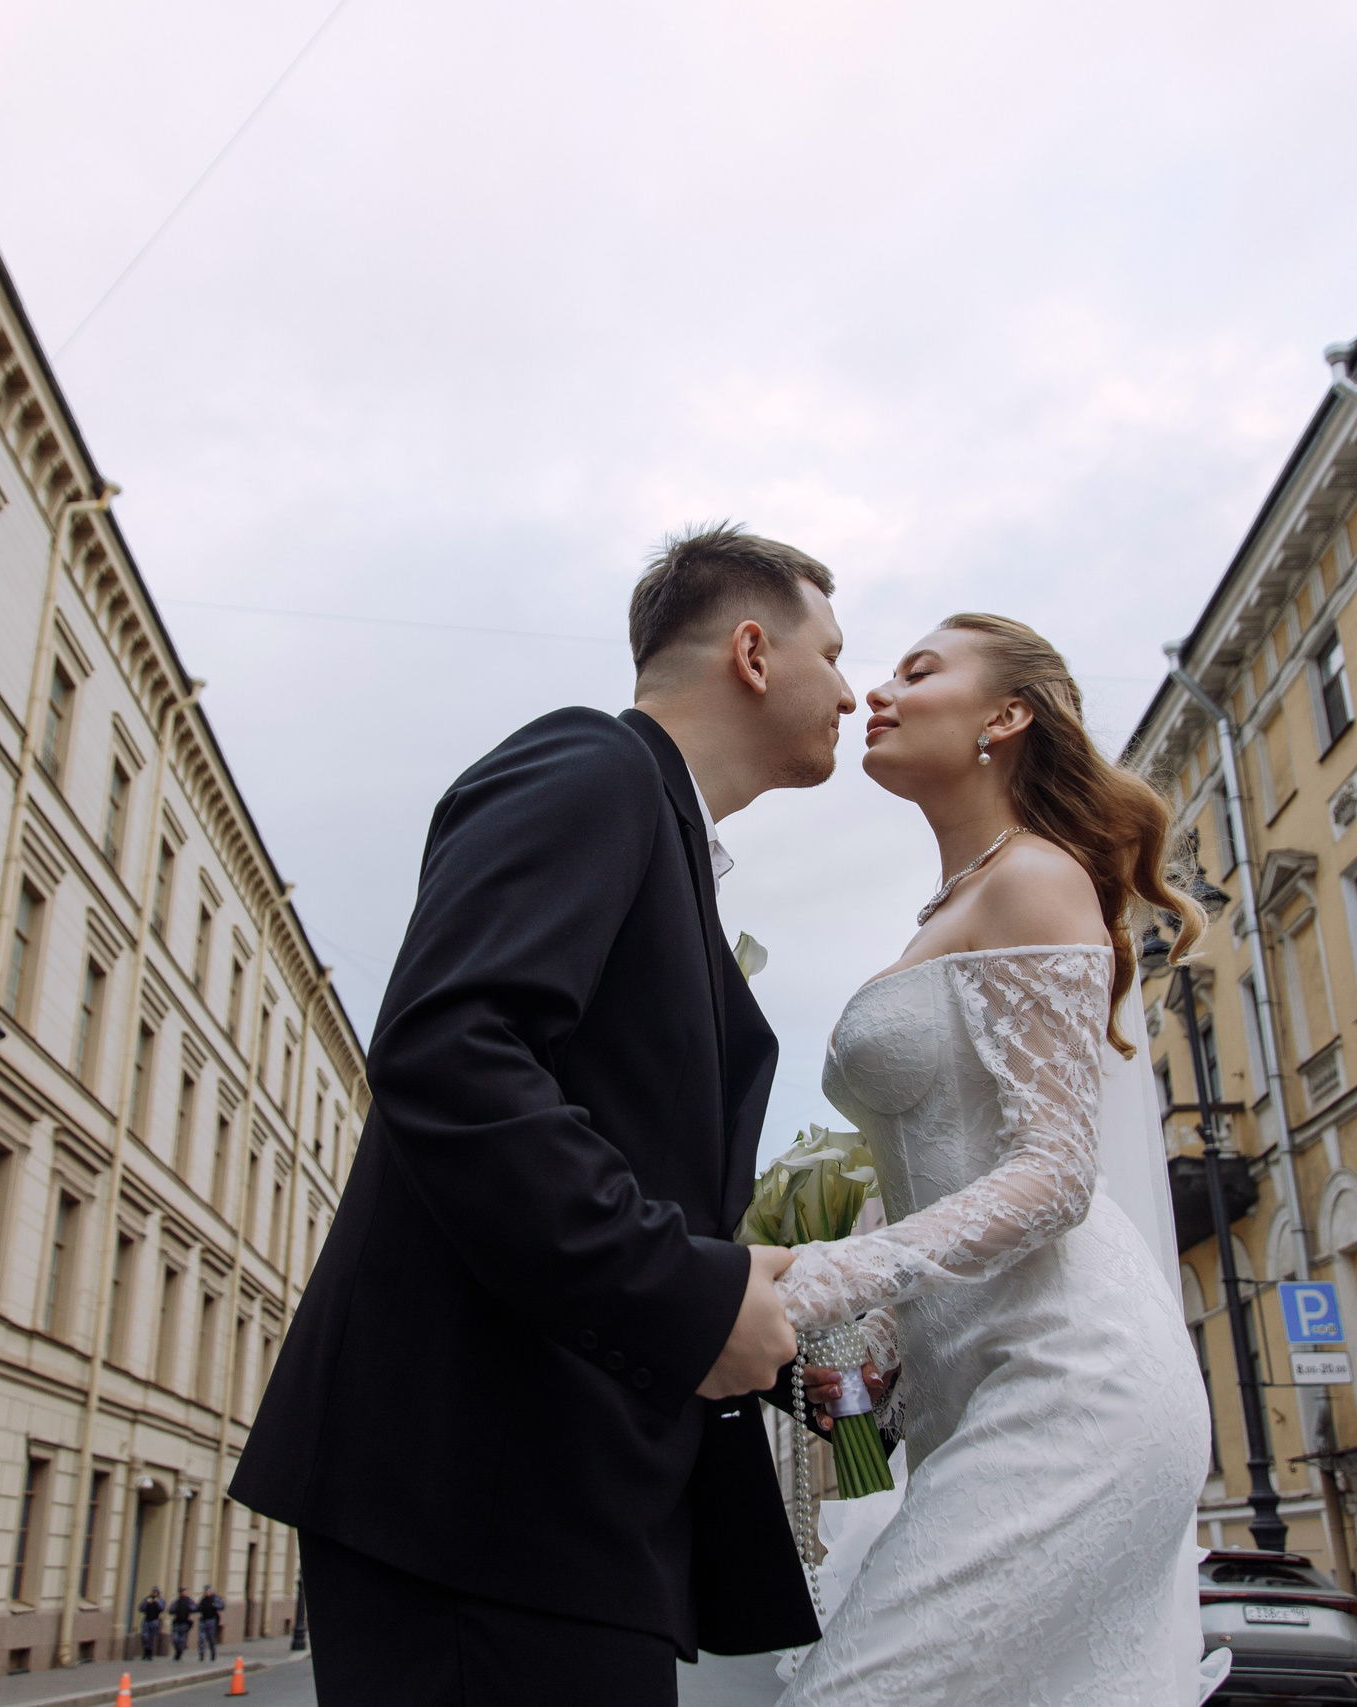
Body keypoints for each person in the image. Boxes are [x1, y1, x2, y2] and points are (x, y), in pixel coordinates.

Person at [235, 525, 850, 1704]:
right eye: (836, 651)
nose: (854, 687)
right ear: (755, 653)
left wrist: (786, 1353)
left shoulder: (662, 839)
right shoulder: (592, 767)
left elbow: (629, 1170)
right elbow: (451, 1051)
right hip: (478, 1497)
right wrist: (693, 1298)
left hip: (556, 1509)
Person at [771, 615, 1216, 1704]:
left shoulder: (1035, 879)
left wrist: (815, 1283)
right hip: (963, 1386)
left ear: (1005, 718)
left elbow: (1055, 1175)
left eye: (919, 672)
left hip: (1075, 1377)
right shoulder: (952, 906)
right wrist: (858, 1334)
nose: (879, 690)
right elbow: (936, 1171)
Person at [168, 1588, 196, 1663]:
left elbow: (194, 1608)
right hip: (177, 1623)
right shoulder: (177, 1602)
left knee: (182, 1640)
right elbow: (171, 1610)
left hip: (185, 1623)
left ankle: (179, 1653)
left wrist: (189, 1605)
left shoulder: (189, 1601)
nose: (183, 1593)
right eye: (182, 1592)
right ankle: (178, 1650)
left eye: (184, 1592)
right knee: (175, 1639)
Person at [196, 1586, 224, 1660]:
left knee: (210, 1638)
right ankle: (201, 1654)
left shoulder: (215, 1598)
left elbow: (222, 1606)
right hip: (203, 1620)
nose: (206, 1593)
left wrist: (215, 1605)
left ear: (211, 1591)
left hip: (211, 1620)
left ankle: (213, 1652)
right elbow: (198, 1608)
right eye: (205, 1591)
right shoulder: (203, 1599)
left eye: (208, 1591)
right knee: (202, 1638)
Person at [138, 1587, 165, 1659]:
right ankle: (145, 1651)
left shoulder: (160, 1600)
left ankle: (149, 1653)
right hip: (147, 1620)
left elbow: (162, 1608)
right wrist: (146, 1603)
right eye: (154, 1592)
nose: (154, 1594)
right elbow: (141, 1608)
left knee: (152, 1638)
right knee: (145, 1636)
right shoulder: (147, 1599)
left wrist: (157, 1602)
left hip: (155, 1621)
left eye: (156, 1592)